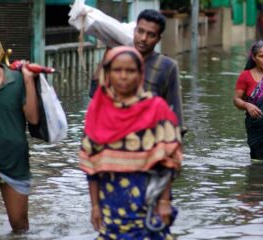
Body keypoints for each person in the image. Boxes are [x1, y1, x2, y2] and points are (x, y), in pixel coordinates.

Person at [80, 46, 182, 239]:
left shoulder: (156, 109)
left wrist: (165, 201)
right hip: (111, 205)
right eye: (117, 70)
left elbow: (169, 161)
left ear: (140, 73)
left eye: (130, 71)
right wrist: (94, 206)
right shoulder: (97, 111)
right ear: (107, 74)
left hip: (149, 203)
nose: (124, 76)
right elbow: (91, 166)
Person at [90, 9, 186, 134]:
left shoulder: (167, 66)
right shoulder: (118, 59)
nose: (143, 38)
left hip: (148, 142)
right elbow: (94, 93)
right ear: (134, 31)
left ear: (158, 39)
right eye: (140, 31)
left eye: (150, 35)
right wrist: (108, 52)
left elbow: (176, 115)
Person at [0, 28, 39, 233]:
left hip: (15, 164)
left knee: (20, 226)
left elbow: (32, 118)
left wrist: (28, 80)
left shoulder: (16, 80)